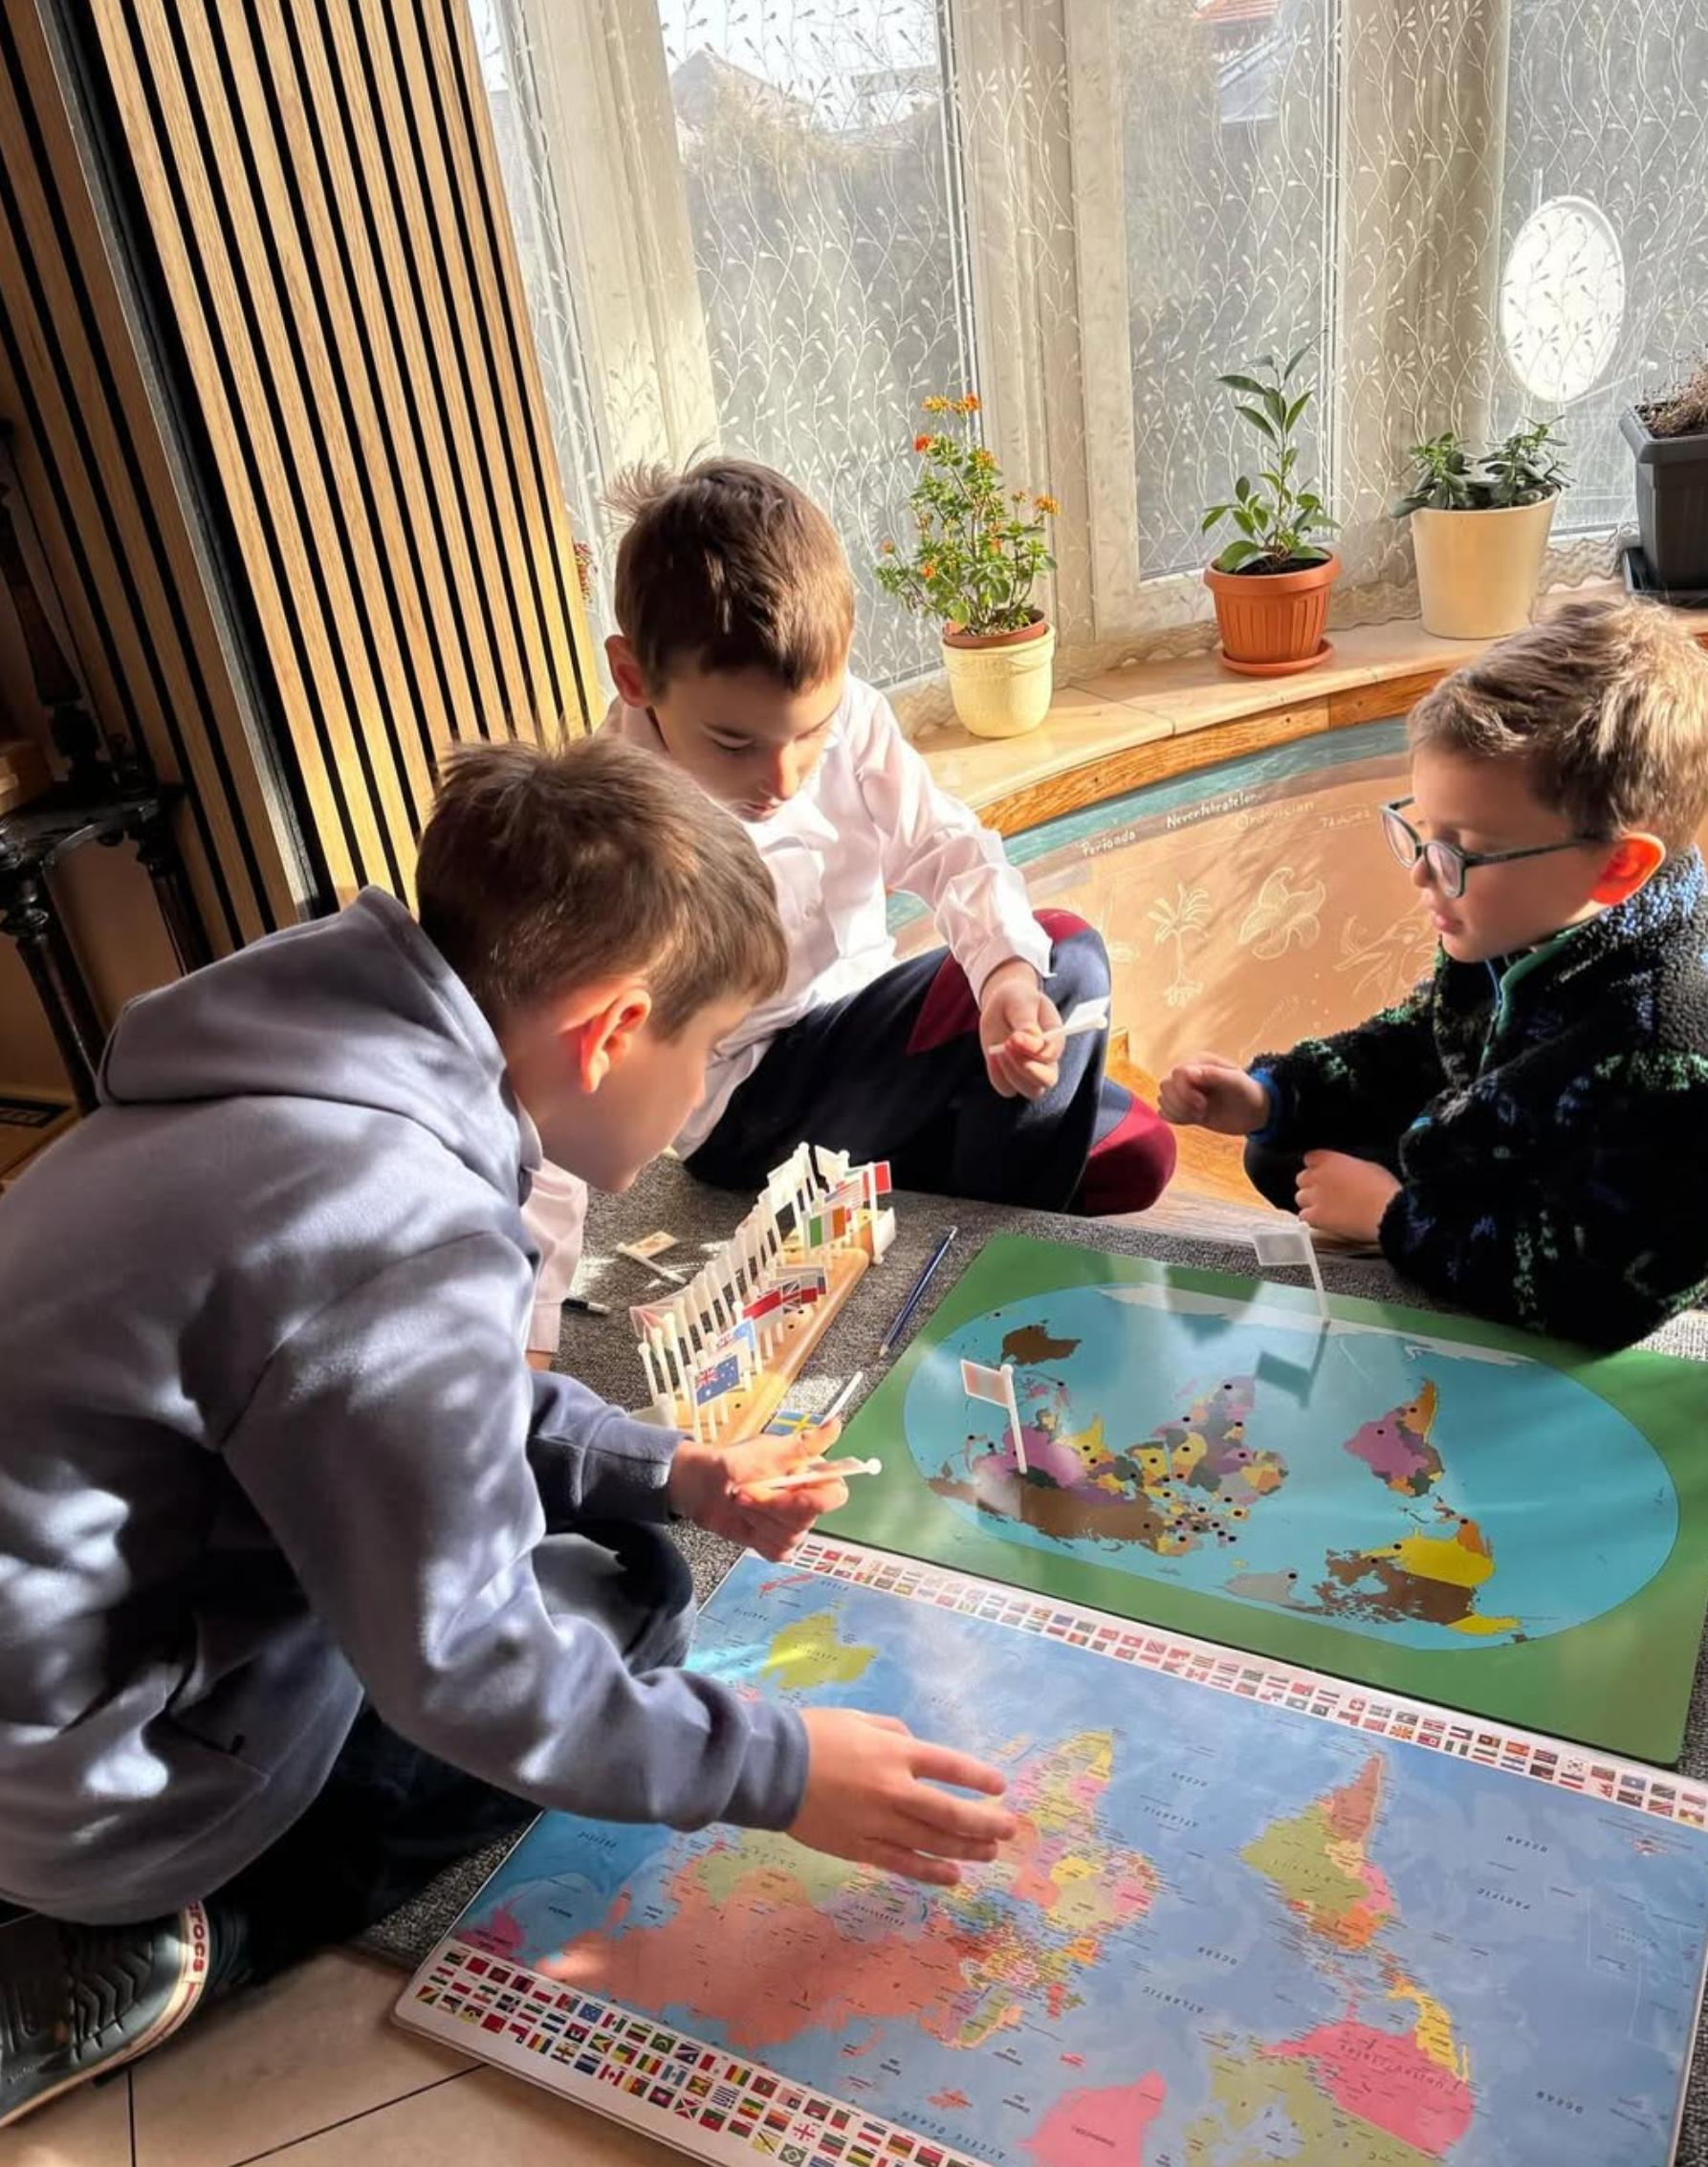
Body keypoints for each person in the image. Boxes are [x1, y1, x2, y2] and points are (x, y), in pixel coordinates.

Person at [0, 735, 1013, 2130]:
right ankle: (175, 1935)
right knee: (618, 1615)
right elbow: (463, 1656)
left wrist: (667, 1464)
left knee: (612, 1544)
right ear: (608, 1033)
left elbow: (406, 1385)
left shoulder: (285, 1079)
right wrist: (775, 1766)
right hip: (88, 1777)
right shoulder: (390, 1212)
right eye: (704, 1046)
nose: (699, 1084)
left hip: (58, 1669)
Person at [523, 458, 1174, 1357]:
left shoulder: (856, 719)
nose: (781, 778)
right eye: (734, 740)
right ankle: (988, 1281)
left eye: (811, 730)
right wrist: (533, 1333)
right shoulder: (611, 826)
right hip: (754, 1109)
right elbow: (558, 1093)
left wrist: (1006, 980)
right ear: (635, 679)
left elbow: (949, 844)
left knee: (1138, 1149)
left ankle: (947, 1204)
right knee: (1071, 954)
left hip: (866, 1059)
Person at [1160, 598, 1708, 1350]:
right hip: (1504, 1143)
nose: (1423, 874)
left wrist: (1393, 1222)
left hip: (1584, 1227)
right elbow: (1419, 1036)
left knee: (1337, 1188)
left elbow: (1599, 1299)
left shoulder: (1670, 1047)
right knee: (1277, 1147)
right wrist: (1270, 1093)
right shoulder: (1527, 915)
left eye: (1460, 850)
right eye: (1422, 832)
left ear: (1618, 865)